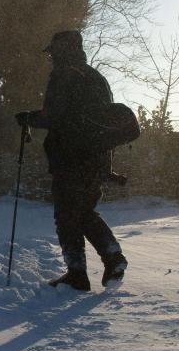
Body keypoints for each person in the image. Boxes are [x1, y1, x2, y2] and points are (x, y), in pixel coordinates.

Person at [15, 30, 128, 291]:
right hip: (97, 158)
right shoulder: (96, 78)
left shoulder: (64, 76)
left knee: (66, 215)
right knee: (84, 212)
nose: (51, 57)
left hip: (70, 157)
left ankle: (77, 273)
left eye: (53, 52)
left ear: (62, 50)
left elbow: (54, 116)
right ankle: (113, 257)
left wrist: (28, 118)